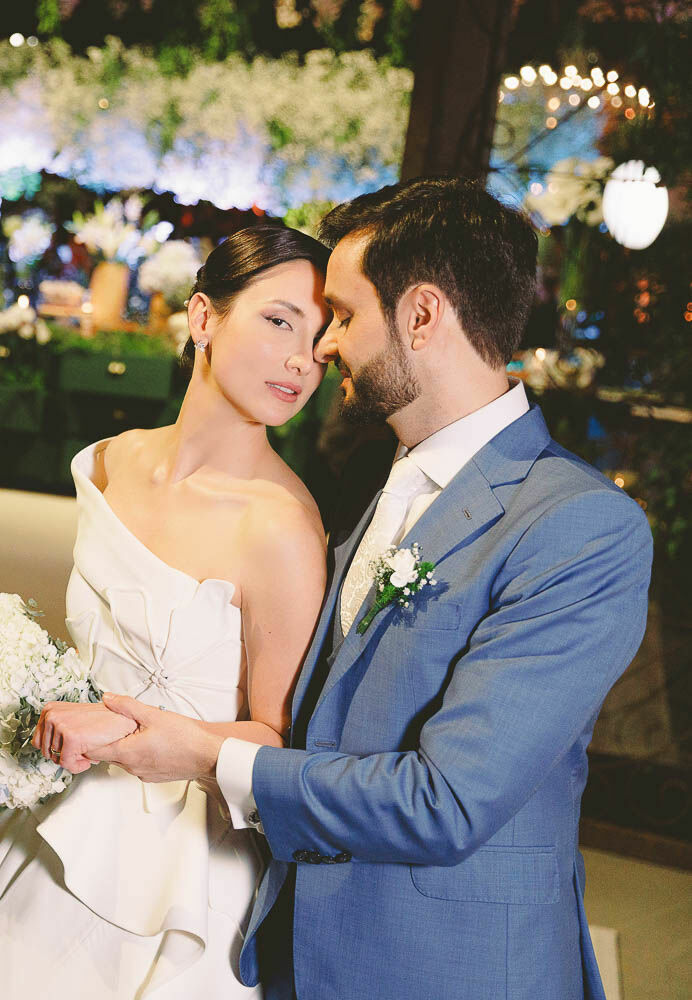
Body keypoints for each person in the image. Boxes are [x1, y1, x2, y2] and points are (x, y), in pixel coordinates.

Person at [47, 177, 651, 1000]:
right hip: (301, 949)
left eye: (344, 313)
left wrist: (202, 752)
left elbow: (445, 801)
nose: (323, 345)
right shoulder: (380, 480)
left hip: (448, 970)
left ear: (424, 315)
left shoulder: (579, 527)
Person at [0, 224, 334, 999]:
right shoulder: (114, 461)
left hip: (175, 864)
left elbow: (275, 741)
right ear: (204, 317)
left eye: (321, 338)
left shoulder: (279, 527)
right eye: (279, 320)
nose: (301, 360)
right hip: (65, 811)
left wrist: (129, 730)